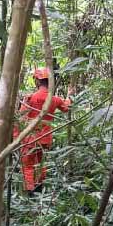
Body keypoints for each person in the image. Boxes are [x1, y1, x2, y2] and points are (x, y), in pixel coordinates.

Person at [14, 66, 71, 194]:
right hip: (45, 139)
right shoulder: (55, 99)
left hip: (29, 139)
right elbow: (67, 107)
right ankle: (40, 192)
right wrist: (69, 97)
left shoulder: (30, 98)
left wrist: (16, 137)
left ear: (38, 81)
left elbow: (20, 119)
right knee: (41, 164)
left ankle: (30, 194)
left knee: (28, 166)